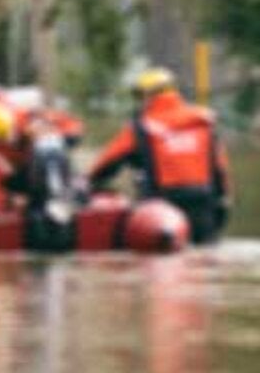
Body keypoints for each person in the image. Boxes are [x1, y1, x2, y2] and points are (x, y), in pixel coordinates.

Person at [87, 67, 233, 244]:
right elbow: (220, 167)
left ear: (150, 95)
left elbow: (108, 161)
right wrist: (224, 197)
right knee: (206, 252)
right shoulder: (203, 122)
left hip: (162, 206)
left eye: (140, 96)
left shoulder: (142, 126)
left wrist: (88, 181)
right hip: (203, 202)